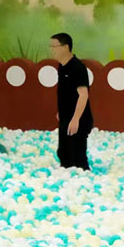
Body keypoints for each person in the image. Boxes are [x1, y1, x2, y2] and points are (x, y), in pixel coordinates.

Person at [49, 33, 93, 170]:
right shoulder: (62, 66)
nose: (51, 50)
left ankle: (83, 176)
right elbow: (66, 92)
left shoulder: (77, 67)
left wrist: (76, 119)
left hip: (78, 119)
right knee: (63, 154)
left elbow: (83, 95)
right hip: (65, 117)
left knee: (77, 157)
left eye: (54, 46)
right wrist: (61, 111)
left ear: (65, 47)